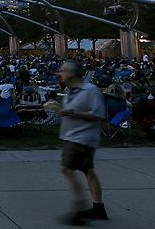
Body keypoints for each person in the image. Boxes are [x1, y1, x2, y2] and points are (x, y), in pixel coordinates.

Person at [57, 60, 108, 225]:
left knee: (67, 170)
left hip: (81, 138)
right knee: (88, 171)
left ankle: (80, 208)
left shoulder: (90, 90)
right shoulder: (70, 90)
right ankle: (98, 208)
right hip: (70, 136)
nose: (60, 73)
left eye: (63, 71)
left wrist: (72, 112)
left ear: (72, 73)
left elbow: (98, 114)